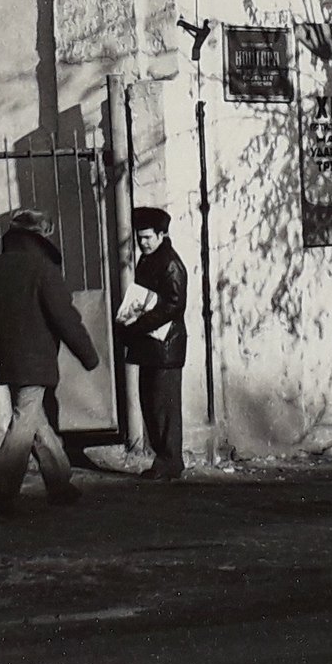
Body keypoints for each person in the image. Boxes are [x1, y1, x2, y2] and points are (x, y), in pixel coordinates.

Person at [0, 208, 99, 516]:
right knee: (25, 418)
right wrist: (88, 355)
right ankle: (0, 490)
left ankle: (59, 484)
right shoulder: (42, 270)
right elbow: (65, 318)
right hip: (36, 360)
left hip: (5, 358)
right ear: (39, 239)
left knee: (33, 416)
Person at [118, 206, 190, 481]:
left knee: (164, 407)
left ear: (162, 235)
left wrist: (138, 324)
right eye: (139, 238)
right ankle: (164, 460)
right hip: (152, 345)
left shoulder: (170, 263)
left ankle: (170, 462)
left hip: (165, 346)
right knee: (151, 404)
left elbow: (173, 305)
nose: (143, 243)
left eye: (148, 237)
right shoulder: (149, 260)